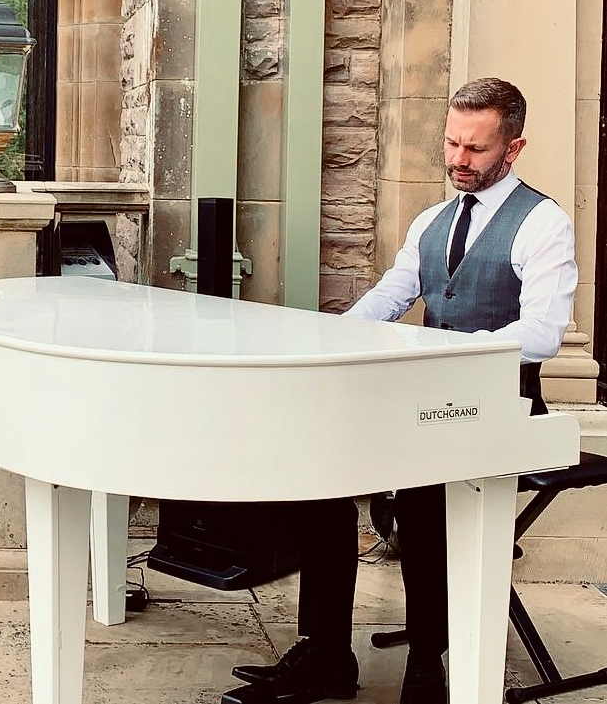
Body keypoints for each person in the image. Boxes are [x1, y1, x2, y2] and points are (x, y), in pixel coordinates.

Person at [223, 78, 578, 704]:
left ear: (513, 148)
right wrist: (334, 338)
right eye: (451, 142)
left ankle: (427, 660)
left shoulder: (543, 223)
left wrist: (447, 353)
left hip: (501, 407)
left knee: (422, 493)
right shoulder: (432, 220)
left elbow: (543, 333)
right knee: (322, 478)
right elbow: (393, 292)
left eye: (476, 148)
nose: (459, 159)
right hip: (422, 403)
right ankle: (326, 654)